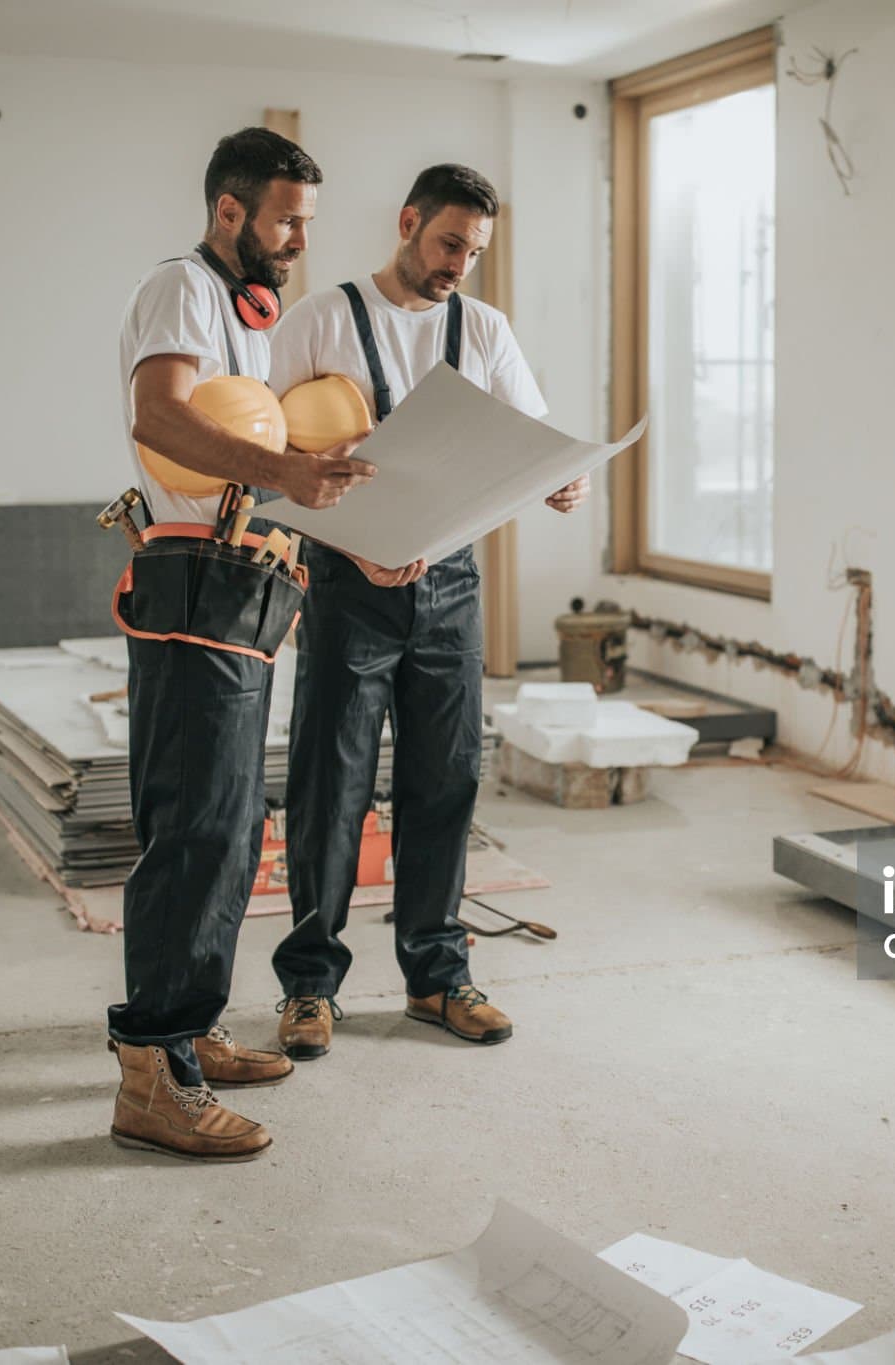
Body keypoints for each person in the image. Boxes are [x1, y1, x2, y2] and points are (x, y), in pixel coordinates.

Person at [267, 163, 588, 1057]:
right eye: (449, 243)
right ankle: (308, 986)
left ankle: (438, 977)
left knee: (444, 780)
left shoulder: (482, 328)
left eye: (474, 252)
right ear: (408, 222)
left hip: (450, 588)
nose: (459, 264)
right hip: (346, 584)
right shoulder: (321, 319)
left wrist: (563, 479)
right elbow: (266, 453)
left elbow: (531, 439)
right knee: (330, 784)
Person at [105, 127, 375, 1162]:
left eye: (305, 220)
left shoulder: (242, 314)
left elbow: (244, 436)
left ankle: (192, 1030)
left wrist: (311, 465)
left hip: (245, 576)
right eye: (287, 220)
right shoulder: (180, 285)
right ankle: (152, 1073)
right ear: (231, 211)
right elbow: (162, 418)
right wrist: (289, 478)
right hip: (193, 575)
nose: (300, 239)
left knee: (230, 828)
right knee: (195, 830)